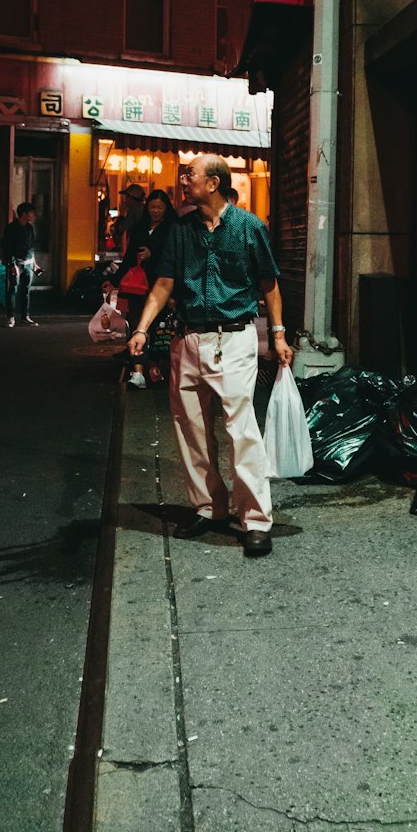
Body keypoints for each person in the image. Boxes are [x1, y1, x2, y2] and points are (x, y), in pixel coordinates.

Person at [127, 154, 292, 557]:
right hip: (187, 339)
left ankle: (255, 519)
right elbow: (164, 284)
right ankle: (209, 508)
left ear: (214, 183)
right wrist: (142, 328)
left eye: (191, 175)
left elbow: (269, 285)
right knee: (190, 430)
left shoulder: (250, 227)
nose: (184, 181)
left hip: (233, 338)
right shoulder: (179, 230)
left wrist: (278, 334)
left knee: (241, 430)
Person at [111, 187, 177, 388]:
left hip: (161, 287)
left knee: (158, 330)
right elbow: (130, 257)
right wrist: (115, 280)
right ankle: (137, 372)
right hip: (138, 287)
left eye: (159, 207)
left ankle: (154, 367)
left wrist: (153, 254)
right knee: (137, 327)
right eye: (152, 207)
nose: (155, 211)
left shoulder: (173, 228)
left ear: (166, 208)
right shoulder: (140, 228)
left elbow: (174, 258)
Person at [0, 202, 37, 328]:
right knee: (12, 289)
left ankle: (25, 316)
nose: (33, 215)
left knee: (26, 290)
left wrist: (34, 263)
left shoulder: (30, 228)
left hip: (28, 262)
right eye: (31, 213)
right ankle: (10, 317)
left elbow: (32, 246)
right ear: (24, 214)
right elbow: (7, 247)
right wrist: (12, 264)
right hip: (16, 262)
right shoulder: (11, 228)